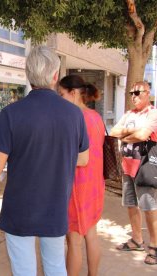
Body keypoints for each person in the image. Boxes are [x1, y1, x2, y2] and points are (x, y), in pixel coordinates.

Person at [0, 46, 89, 276]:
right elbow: (83, 158)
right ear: (54, 76)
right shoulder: (74, 115)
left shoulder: (12, 114)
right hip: (56, 206)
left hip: (20, 209)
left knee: (23, 270)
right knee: (55, 267)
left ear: (29, 75)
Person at [58, 75, 105, 275]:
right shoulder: (95, 117)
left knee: (74, 241)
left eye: (61, 94)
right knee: (91, 234)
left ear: (74, 93)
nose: (59, 99)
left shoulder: (74, 118)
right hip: (95, 184)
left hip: (78, 186)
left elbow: (75, 157)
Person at [110, 81, 157, 265]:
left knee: (149, 208)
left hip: (144, 167)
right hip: (127, 166)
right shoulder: (129, 114)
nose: (134, 96)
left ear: (148, 93)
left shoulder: (152, 113)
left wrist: (126, 134)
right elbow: (114, 131)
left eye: (138, 92)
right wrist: (131, 131)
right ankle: (137, 239)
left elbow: (142, 135)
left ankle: (154, 246)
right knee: (131, 204)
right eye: (131, 93)